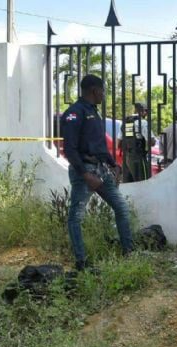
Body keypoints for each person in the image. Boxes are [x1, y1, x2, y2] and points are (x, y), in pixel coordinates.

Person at [61, 75, 134, 271]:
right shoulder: (74, 114)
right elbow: (69, 149)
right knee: (75, 217)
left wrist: (114, 164)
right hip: (85, 173)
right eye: (103, 91)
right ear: (95, 91)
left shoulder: (93, 112)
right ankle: (81, 262)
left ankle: (129, 253)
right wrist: (86, 175)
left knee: (121, 208)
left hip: (101, 171)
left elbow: (99, 146)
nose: (104, 94)